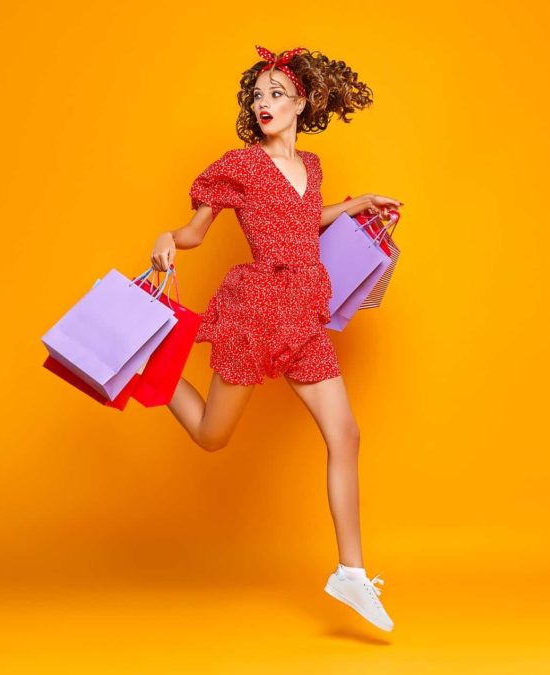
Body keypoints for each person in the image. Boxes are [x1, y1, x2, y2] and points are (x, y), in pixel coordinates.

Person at [149, 45, 402, 632]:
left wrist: (357, 204)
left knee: (346, 434)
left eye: (276, 94)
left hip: (305, 310)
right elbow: (193, 231)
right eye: (257, 96)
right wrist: (168, 236)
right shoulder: (237, 165)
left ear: (301, 102)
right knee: (213, 437)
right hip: (259, 306)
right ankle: (148, 365)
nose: (264, 104)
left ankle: (352, 574)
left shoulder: (311, 167)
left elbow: (302, 217)